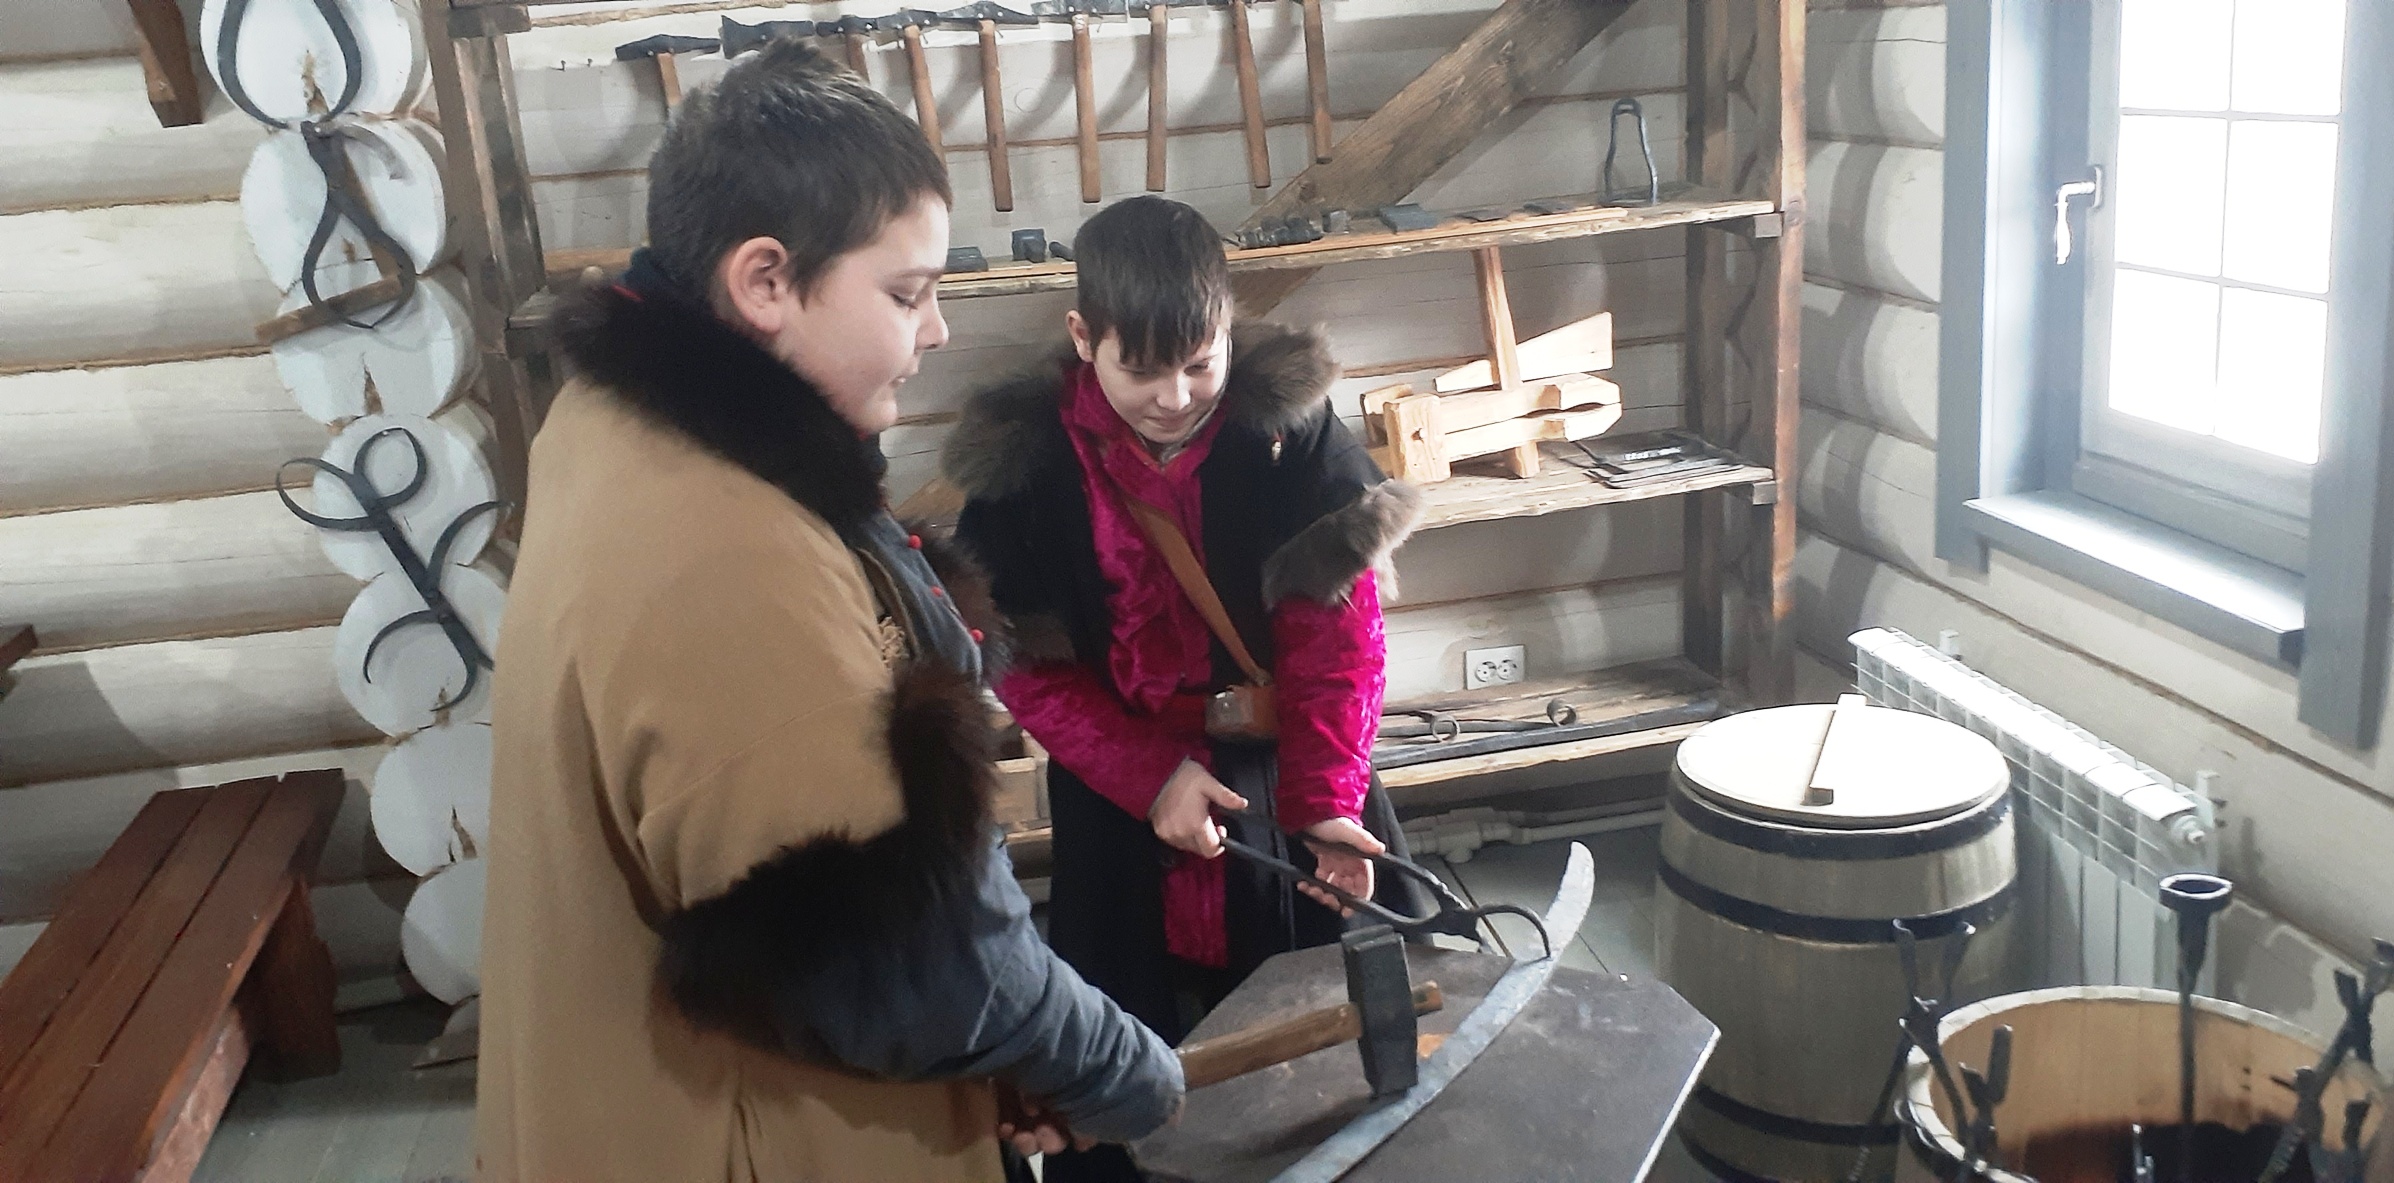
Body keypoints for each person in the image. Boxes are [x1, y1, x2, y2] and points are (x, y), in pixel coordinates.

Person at [474, 41, 1182, 1183]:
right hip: (748, 1135)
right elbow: (896, 956)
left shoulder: (626, 429)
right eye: (906, 294)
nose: (936, 329)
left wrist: (998, 1056)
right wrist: (1113, 1066)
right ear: (766, 282)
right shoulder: (720, 551)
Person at [944, 195, 1425, 1183]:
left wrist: (1328, 802)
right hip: (1122, 793)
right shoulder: (1025, 465)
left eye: (1201, 364)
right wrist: (1149, 777)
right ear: (1085, 337)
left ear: (1230, 328)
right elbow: (1028, 665)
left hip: (1283, 772)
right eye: (1142, 370)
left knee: (1331, 1064)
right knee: (1120, 1080)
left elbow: (1337, 633)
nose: (1175, 396)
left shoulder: (1286, 426)